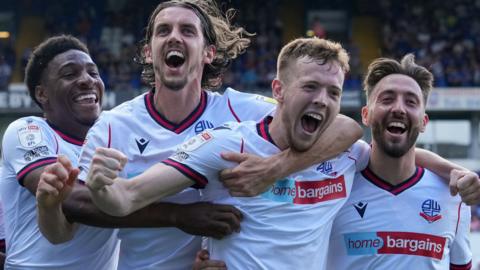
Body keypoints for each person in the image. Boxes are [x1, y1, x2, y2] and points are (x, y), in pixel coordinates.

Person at [35, 1, 361, 269]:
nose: (174, 37)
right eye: (164, 31)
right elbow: (82, 208)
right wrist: (180, 216)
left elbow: (342, 127)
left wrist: (275, 168)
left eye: (187, 31)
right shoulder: (112, 126)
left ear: (208, 53)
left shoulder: (242, 111)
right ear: (149, 51)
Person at [327, 54, 472, 269]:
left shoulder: (453, 196)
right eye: (387, 99)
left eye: (411, 102)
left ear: (423, 122)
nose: (399, 109)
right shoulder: (333, 188)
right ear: (365, 115)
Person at [0, 35, 119, 269]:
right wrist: (178, 216)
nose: (87, 80)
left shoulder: (115, 134)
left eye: (93, 73)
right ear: (42, 94)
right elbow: (71, 201)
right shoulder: (28, 130)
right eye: (69, 74)